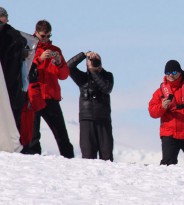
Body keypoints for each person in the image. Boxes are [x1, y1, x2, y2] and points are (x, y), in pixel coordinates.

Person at [21, 20, 74, 158]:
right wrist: (39, 58)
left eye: (49, 36)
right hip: (34, 96)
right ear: (36, 32)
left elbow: (64, 75)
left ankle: (70, 162)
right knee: (33, 136)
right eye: (43, 36)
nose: (46, 39)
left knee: (61, 135)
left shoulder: (55, 50)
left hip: (50, 97)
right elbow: (24, 70)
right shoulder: (29, 47)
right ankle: (33, 163)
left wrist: (59, 62)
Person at [67, 51, 114, 161]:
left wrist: (94, 72)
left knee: (107, 155)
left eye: (97, 60)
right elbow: (68, 67)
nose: (95, 62)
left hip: (103, 119)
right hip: (86, 119)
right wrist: (83, 55)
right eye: (92, 61)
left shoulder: (107, 76)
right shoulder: (83, 78)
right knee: (88, 155)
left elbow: (106, 88)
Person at [0, 7, 27, 132]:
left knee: (11, 118)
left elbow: (21, 43)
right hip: (9, 81)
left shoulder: (14, 36)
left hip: (10, 82)